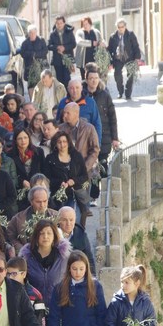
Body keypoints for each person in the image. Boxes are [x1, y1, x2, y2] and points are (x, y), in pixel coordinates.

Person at [85, 66, 119, 203]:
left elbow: (112, 116)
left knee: (103, 166)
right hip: (88, 138)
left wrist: (115, 138)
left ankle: (105, 194)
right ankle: (93, 195)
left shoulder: (105, 95)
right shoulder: (83, 96)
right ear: (86, 80)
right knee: (91, 166)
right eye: (91, 78)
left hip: (104, 136)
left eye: (96, 78)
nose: (93, 81)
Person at [43, 131, 89, 221]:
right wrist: (60, 183)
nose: (62, 144)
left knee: (74, 220)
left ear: (68, 143)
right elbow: (46, 178)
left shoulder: (77, 156)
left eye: (64, 141)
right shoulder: (50, 159)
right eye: (59, 142)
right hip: (57, 197)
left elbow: (84, 176)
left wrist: (74, 181)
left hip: (74, 195)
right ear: (55, 144)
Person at [6, 185, 58, 253]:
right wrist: (22, 249)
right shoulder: (18, 218)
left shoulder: (56, 216)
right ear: (31, 201)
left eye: (45, 201)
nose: (42, 205)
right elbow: (10, 236)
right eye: (38, 202)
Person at [55, 78, 102, 143]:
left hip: (85, 141)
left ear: (81, 88)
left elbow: (97, 123)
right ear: (68, 89)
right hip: (66, 142)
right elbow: (57, 123)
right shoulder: (63, 103)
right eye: (71, 88)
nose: (74, 90)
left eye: (77, 88)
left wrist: (97, 143)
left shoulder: (90, 102)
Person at [9, 128, 45, 209]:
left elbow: (44, 170)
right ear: (15, 140)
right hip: (20, 192)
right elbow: (10, 176)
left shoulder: (38, 152)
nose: (23, 140)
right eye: (20, 138)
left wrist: (39, 181)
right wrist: (21, 182)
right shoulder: (10, 155)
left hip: (37, 189)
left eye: (25, 137)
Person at [107, 18, 141, 100]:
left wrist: (137, 58)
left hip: (129, 57)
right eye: (119, 27)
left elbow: (136, 46)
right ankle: (120, 91)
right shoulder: (113, 37)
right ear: (117, 27)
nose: (120, 28)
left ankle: (128, 93)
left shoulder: (130, 34)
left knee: (131, 75)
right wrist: (110, 62)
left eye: (122, 26)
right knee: (117, 75)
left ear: (125, 26)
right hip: (118, 58)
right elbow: (109, 50)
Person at [57, 205, 96, 274]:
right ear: (58, 221)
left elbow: (89, 259)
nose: (68, 223)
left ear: (75, 220)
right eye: (64, 220)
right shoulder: (52, 235)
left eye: (71, 220)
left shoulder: (81, 235)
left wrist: (92, 279)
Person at [48, 16, 76, 88]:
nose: (59, 25)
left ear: (64, 23)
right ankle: (61, 97)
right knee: (60, 81)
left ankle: (68, 96)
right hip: (57, 61)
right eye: (57, 23)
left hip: (68, 60)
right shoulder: (52, 34)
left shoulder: (69, 32)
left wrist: (64, 48)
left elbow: (73, 44)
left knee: (67, 79)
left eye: (61, 23)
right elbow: (49, 46)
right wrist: (57, 47)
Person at [20, 24, 48, 96]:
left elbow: (45, 51)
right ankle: (32, 101)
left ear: (36, 33)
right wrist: (31, 54)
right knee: (31, 85)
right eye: (30, 33)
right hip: (29, 68)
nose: (32, 34)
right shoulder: (25, 43)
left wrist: (36, 55)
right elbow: (22, 53)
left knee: (41, 84)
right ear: (28, 33)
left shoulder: (41, 41)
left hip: (40, 67)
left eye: (33, 33)